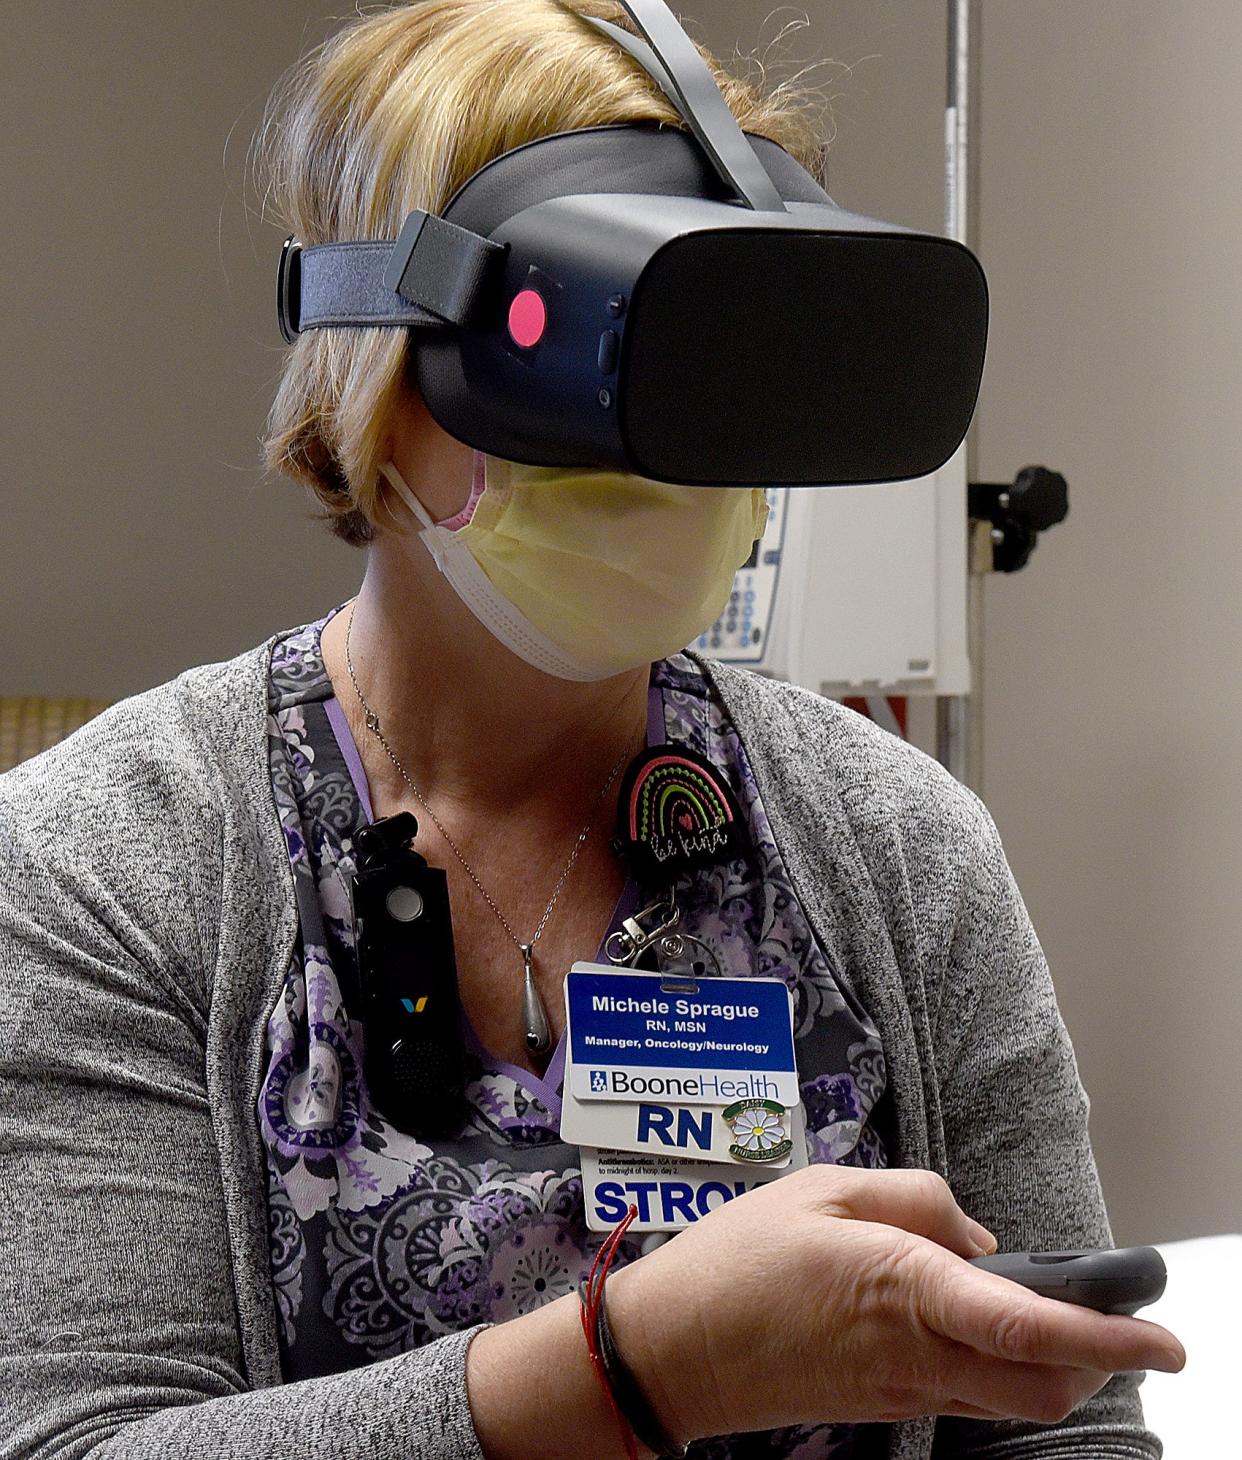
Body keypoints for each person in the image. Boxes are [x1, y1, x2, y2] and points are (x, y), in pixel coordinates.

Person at [0, 3, 1183, 1458]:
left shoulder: (891, 841)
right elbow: (71, 1442)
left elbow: (1064, 1430)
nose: (658, 465)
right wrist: (638, 1369)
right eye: (587, 366)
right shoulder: (103, 863)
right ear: (375, 354)